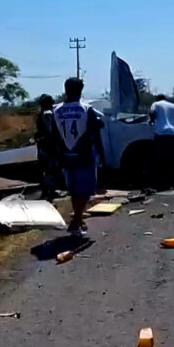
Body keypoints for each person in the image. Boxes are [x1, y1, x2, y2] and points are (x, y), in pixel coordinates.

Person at [52, 77, 104, 237]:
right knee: (85, 191)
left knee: (74, 190)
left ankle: (79, 219)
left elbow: (54, 135)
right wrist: (102, 153)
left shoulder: (57, 110)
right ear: (80, 91)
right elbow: (95, 133)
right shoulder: (86, 109)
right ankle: (76, 222)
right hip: (84, 155)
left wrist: (57, 156)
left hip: (66, 156)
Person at [149, 94, 174, 174]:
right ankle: (171, 172)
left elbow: (152, 112)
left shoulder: (155, 104)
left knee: (159, 153)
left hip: (160, 132)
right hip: (172, 132)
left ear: (157, 99)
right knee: (170, 154)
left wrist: (151, 120)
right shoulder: (173, 105)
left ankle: (161, 173)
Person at [35, 94, 59, 200]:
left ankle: (46, 189)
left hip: (43, 143)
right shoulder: (47, 114)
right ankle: (50, 190)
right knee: (51, 168)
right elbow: (50, 130)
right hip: (49, 144)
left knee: (45, 167)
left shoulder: (41, 114)